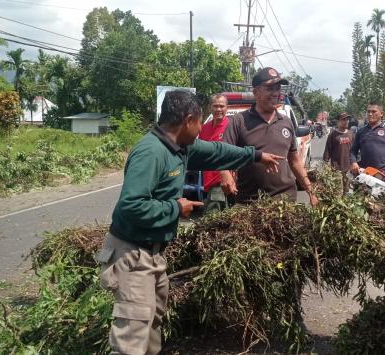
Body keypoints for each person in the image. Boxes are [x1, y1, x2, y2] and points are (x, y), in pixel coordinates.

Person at [98, 90, 283, 355]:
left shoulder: (181, 146)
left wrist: (255, 156)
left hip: (153, 254)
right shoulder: (150, 153)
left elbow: (217, 151)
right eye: (198, 122)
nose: (201, 129)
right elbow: (130, 206)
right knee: (131, 340)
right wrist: (176, 207)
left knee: (151, 328)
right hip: (131, 254)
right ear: (187, 120)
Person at [220, 67, 319, 206]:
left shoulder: (286, 122)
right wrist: (225, 174)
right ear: (256, 92)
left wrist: (311, 191)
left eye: (278, 88)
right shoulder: (239, 121)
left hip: (286, 202)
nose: (275, 93)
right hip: (250, 203)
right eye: (270, 88)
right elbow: (223, 152)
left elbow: (295, 161)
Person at [350, 103, 385, 183]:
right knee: (361, 195)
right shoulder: (361, 132)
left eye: (374, 111)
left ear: (381, 114)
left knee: (381, 195)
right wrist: (353, 162)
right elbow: (353, 151)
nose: (370, 114)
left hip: (383, 174)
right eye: (368, 111)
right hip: (364, 173)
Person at [198, 93, 231, 199]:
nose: (218, 109)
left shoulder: (232, 126)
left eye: (222, 106)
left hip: (228, 182)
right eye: (215, 106)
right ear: (210, 107)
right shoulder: (203, 129)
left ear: (227, 108)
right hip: (209, 182)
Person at [323, 112, 355, 192]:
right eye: (343, 119)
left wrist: (355, 163)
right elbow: (328, 150)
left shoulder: (351, 134)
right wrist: (325, 163)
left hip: (348, 167)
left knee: (346, 190)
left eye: (347, 119)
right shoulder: (333, 135)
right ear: (338, 121)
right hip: (336, 168)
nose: (346, 121)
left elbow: (355, 150)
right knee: (338, 191)